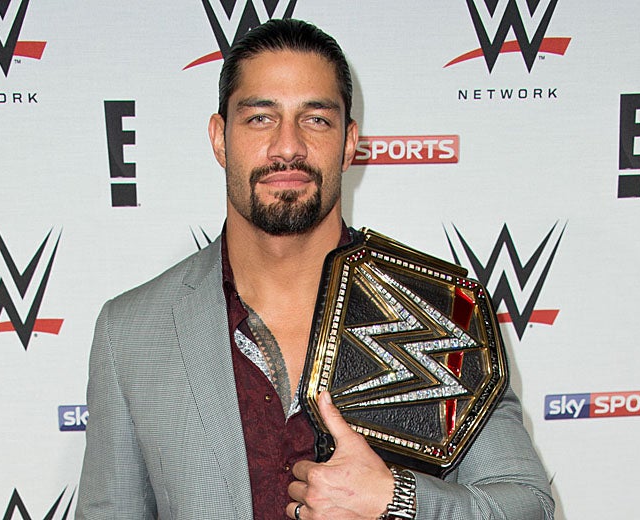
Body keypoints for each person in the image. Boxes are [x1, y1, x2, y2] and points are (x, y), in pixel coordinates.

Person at [77, 18, 554, 520]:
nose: (288, 146)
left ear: (349, 142)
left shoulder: (442, 312)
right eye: (260, 118)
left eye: (316, 120)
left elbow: (528, 507)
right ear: (220, 138)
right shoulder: (132, 332)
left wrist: (397, 501)